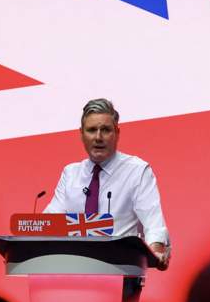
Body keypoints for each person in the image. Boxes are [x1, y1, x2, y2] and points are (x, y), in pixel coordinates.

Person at [44, 98, 170, 270]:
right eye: (91, 130)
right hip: (74, 271)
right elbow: (49, 222)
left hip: (122, 271)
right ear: (81, 133)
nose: (98, 137)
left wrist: (157, 251)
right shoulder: (71, 174)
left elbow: (153, 224)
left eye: (105, 130)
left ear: (117, 132)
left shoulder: (137, 171)